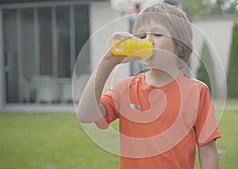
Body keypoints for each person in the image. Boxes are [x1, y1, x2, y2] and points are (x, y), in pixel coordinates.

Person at [76, 3, 221, 169]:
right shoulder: (124, 88)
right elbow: (85, 115)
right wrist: (107, 63)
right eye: (141, 36)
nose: (148, 41)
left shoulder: (197, 92)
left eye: (157, 34)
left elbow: (207, 150)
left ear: (179, 46)